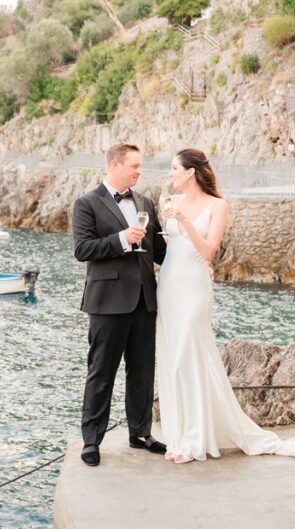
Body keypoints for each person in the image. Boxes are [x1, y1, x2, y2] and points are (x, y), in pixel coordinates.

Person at [156, 148, 295, 463]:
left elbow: (208, 251)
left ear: (191, 172)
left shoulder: (217, 205)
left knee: (190, 353)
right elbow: (172, 244)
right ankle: (178, 434)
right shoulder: (173, 202)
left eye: (174, 168)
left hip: (194, 287)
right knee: (172, 358)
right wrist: (174, 225)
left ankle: (197, 439)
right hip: (168, 284)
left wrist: (184, 222)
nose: (170, 174)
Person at [72, 142, 168, 467]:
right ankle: (91, 440)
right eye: (134, 166)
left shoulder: (145, 202)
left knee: (142, 370)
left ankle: (140, 432)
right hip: (107, 303)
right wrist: (121, 240)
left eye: (139, 166)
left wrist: (180, 241)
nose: (139, 171)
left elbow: (157, 252)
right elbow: (83, 249)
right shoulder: (87, 203)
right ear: (115, 165)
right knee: (101, 373)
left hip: (144, 299)